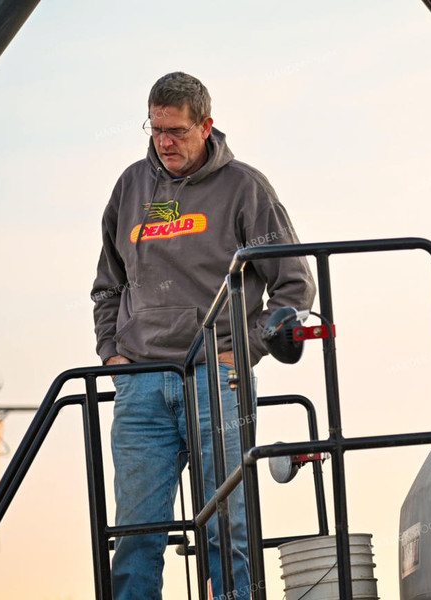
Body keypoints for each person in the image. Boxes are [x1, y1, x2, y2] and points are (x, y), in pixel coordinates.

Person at [92, 71, 315, 600]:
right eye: (155, 130)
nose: (164, 142)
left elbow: (295, 286)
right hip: (141, 384)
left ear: (206, 126)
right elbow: (107, 285)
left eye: (176, 131)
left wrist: (246, 348)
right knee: (134, 537)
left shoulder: (245, 188)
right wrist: (111, 356)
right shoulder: (130, 187)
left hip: (218, 380)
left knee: (227, 530)